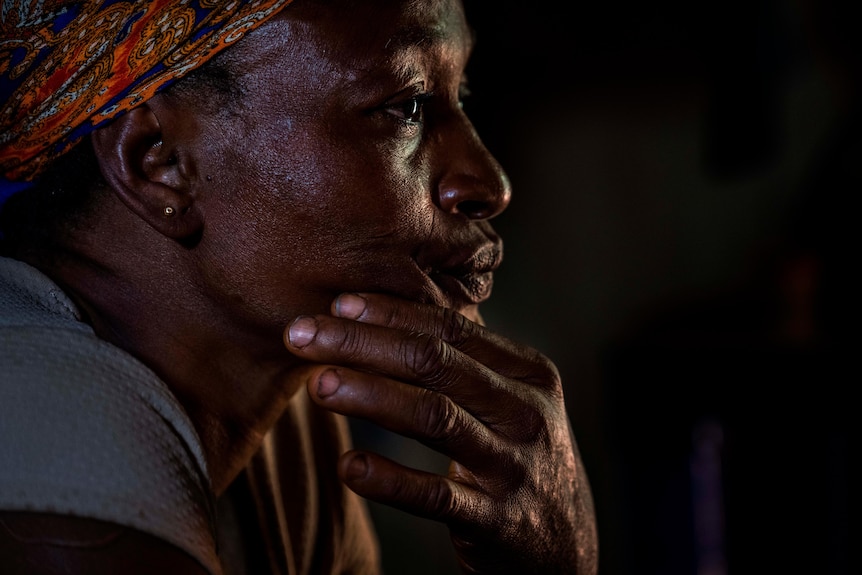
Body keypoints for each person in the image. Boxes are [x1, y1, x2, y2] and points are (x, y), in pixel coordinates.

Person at [0, 1, 599, 573]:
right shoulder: (52, 444)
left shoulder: (286, 428)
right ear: (159, 161)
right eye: (407, 105)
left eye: (460, 95)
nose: (488, 184)